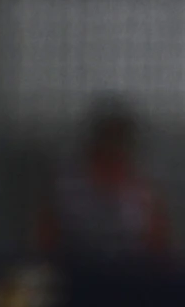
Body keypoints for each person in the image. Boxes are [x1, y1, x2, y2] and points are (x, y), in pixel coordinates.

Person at [34, 100, 173, 265]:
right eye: (109, 139)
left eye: (119, 141)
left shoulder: (142, 191)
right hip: (76, 275)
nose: (113, 148)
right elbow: (45, 241)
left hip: (129, 278)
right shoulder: (66, 187)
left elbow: (161, 247)